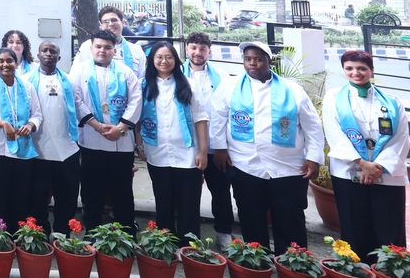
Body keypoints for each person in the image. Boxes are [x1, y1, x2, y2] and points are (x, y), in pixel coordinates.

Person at [209, 41, 324, 255]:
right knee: (250, 216)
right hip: (246, 164)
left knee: (290, 218)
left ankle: (291, 262)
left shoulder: (292, 89)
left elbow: (312, 125)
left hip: (288, 167)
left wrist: (314, 157)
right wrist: (219, 148)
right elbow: (217, 117)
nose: (252, 63)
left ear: (269, 61)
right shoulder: (230, 86)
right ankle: (257, 260)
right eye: (248, 59)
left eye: (258, 59)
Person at [321, 50, 409, 261]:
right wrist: (362, 163)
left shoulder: (392, 102)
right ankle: (357, 270)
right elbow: (334, 133)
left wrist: (376, 166)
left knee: (389, 228)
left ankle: (389, 269)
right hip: (349, 172)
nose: (356, 73)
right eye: (349, 68)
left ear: (371, 70)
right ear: (344, 70)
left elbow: (401, 136)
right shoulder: (333, 98)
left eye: (362, 68)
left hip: (385, 174)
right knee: (354, 227)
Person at [135, 41, 209, 243]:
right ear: (152, 60)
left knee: (189, 204)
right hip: (157, 153)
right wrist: (139, 144)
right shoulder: (143, 86)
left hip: (187, 154)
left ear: (175, 60)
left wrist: (203, 151)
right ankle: (165, 244)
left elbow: (201, 118)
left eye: (169, 57)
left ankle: (188, 246)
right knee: (163, 201)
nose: (164, 61)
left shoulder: (188, 84)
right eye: (159, 57)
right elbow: (137, 119)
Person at [73, 29, 143, 234]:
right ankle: (92, 232)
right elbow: (75, 100)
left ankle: (126, 235)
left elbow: (136, 100)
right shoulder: (79, 71)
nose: (102, 50)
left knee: (123, 190)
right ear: (91, 48)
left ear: (114, 50)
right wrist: (97, 125)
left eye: (107, 47)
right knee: (91, 190)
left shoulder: (126, 72)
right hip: (91, 140)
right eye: (98, 46)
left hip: (121, 142)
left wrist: (120, 128)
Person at [0, 47, 42, 233]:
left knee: (21, 197)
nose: (5, 64)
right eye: (1, 61)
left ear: (16, 63)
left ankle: (18, 235)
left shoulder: (27, 87)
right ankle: (0, 237)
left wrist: (30, 125)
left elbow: (37, 114)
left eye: (9, 61)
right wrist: (3, 124)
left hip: (24, 152)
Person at [182, 31, 234, 249]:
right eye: (193, 48)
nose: (198, 52)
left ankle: (224, 232)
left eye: (202, 49)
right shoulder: (177, 74)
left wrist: (222, 146)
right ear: (187, 49)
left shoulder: (222, 76)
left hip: (215, 145)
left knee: (221, 191)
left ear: (209, 52)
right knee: (187, 193)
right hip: (186, 146)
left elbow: (228, 111)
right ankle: (187, 235)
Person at [26, 40, 81, 234]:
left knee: (67, 196)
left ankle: (62, 235)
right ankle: (40, 235)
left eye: (53, 51)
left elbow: (78, 107)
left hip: (66, 148)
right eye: (45, 50)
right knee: (37, 196)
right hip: (37, 148)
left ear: (59, 56)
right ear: (38, 54)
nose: (48, 54)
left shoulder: (69, 81)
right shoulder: (26, 80)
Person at [73, 6, 147, 78]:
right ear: (101, 26)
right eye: (106, 21)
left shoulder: (136, 51)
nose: (111, 24)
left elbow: (142, 79)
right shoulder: (88, 46)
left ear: (123, 23)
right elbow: (75, 74)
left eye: (114, 20)